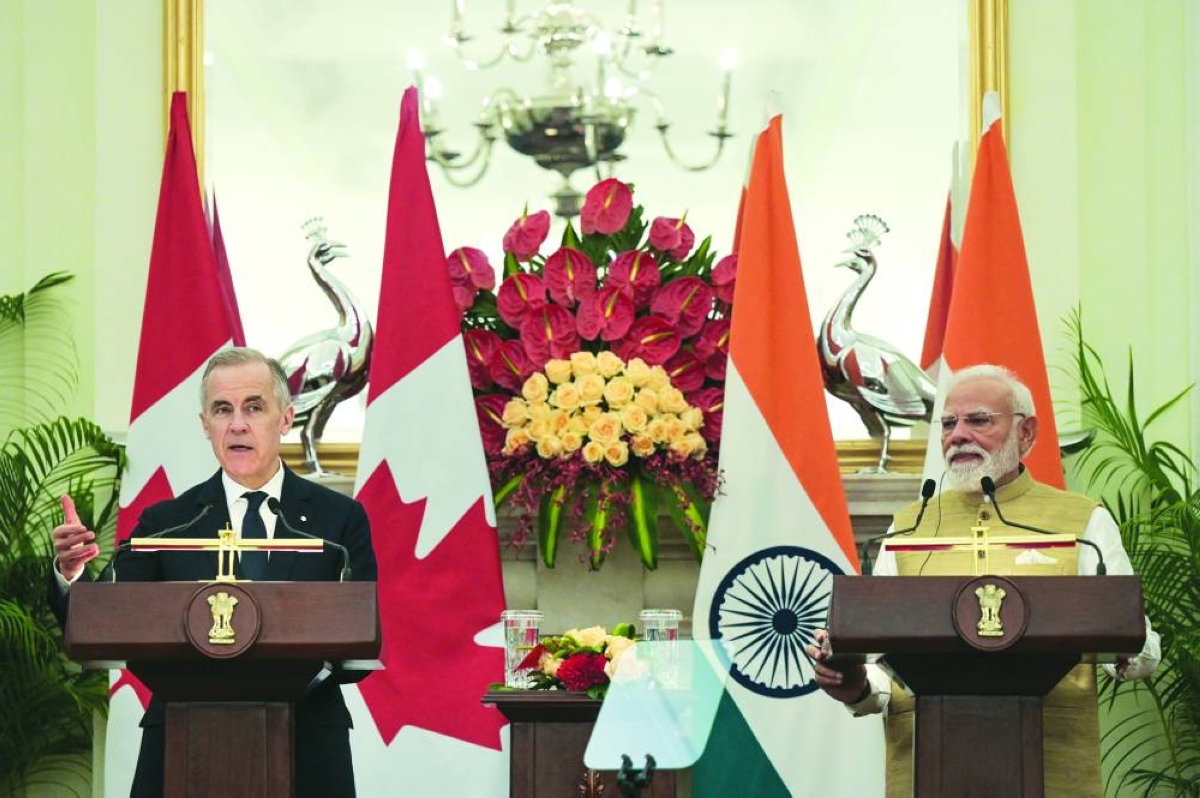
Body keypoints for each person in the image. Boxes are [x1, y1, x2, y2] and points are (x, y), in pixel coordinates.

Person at [806, 364, 1160, 798]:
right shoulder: (909, 527)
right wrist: (855, 684)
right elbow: (884, 675)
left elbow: (1140, 646)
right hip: (928, 770)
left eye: (978, 420)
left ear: (1026, 434)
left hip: (1054, 770)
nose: (958, 436)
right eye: (949, 423)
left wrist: (1127, 650)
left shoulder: (1083, 520)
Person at [49, 347, 377, 798]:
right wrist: (72, 573)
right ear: (206, 425)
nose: (237, 424)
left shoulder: (338, 521)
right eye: (223, 410)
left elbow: (359, 641)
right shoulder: (166, 522)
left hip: (307, 744)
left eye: (254, 407)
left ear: (285, 419)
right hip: (183, 743)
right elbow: (101, 617)